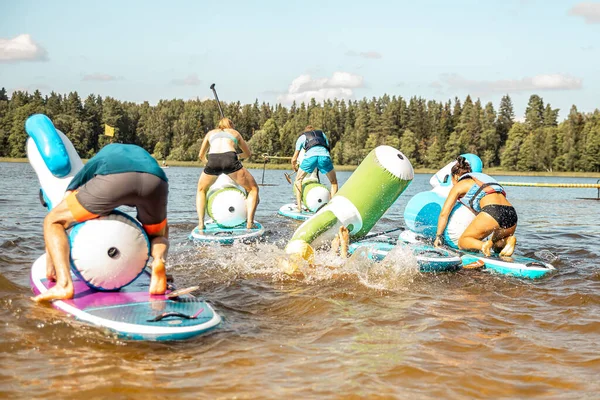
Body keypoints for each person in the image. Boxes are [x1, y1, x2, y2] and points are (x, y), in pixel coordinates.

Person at [32, 143, 169, 302]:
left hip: (115, 178)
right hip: (156, 180)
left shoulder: (100, 157)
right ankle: (159, 262)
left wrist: (52, 263)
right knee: (159, 234)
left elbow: (68, 197)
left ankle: (63, 284)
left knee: (53, 221)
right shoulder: (143, 154)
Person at [434, 156, 517, 257]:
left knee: (463, 241)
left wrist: (438, 236)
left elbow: (444, 213)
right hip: (511, 213)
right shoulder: (483, 177)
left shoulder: (459, 185)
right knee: (497, 246)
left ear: (455, 176)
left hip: (493, 211)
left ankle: (483, 245)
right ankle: (509, 240)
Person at [197, 118, 259, 230]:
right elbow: (248, 153)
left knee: (201, 190)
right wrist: (237, 156)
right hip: (230, 158)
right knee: (253, 189)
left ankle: (201, 224)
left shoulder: (210, 133)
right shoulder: (235, 133)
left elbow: (201, 156)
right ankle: (250, 222)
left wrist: (210, 166)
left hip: (213, 160)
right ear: (231, 125)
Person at [290, 126, 338, 212]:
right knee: (334, 183)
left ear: (305, 132)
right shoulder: (322, 134)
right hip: (324, 156)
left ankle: (299, 208)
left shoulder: (302, 137)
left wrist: (294, 167)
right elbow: (327, 147)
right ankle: (332, 208)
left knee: (298, 180)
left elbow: (294, 159)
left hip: (310, 158)